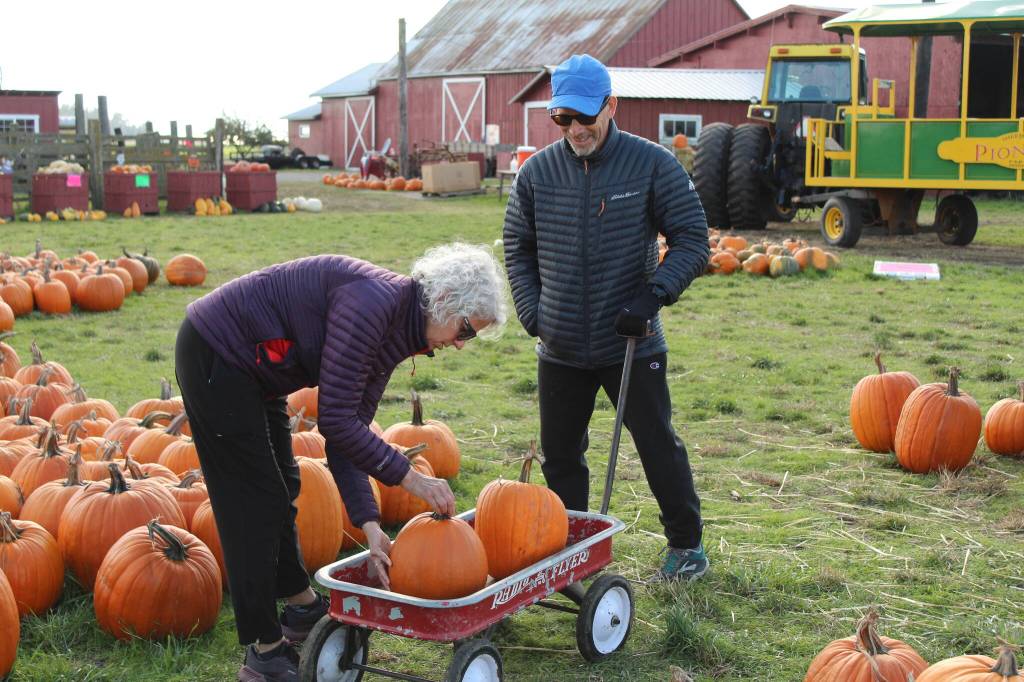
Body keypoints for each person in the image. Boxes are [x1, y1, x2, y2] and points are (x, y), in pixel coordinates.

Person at [174, 243, 507, 682]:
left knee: (284, 485)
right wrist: (411, 479)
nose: (461, 344)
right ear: (444, 299)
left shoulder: (397, 332)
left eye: (471, 336)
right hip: (217, 353)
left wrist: (370, 524)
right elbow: (335, 419)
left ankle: (299, 605)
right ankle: (264, 650)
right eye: (465, 329)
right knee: (254, 502)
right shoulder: (372, 305)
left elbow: (347, 431)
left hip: (257, 373)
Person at [502, 54, 710, 584]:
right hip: (560, 346)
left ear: (610, 106)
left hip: (632, 343)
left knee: (657, 445)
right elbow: (518, 246)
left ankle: (686, 546)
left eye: (584, 116)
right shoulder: (537, 173)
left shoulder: (651, 164)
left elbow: (692, 239)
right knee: (560, 456)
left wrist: (652, 296)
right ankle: (568, 550)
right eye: (562, 118)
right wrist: (534, 313)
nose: (574, 129)